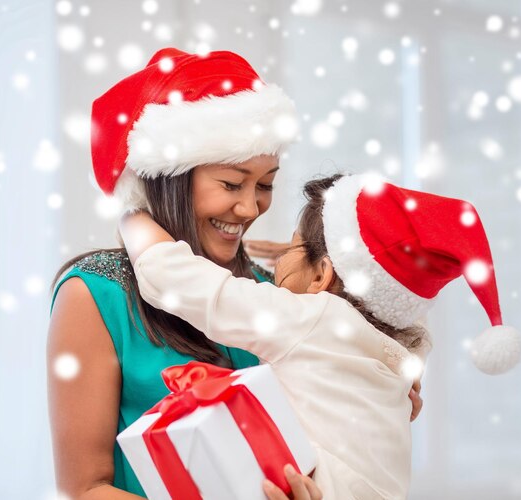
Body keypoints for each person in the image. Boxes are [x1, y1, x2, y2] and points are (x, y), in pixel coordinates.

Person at [120, 173, 521, 499]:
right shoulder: (402, 345)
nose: (279, 262)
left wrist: (131, 214)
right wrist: (307, 257)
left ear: (321, 275)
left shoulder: (312, 319)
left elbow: (187, 286)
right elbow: (387, 294)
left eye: (293, 246)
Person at [47, 48, 328, 499]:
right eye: (232, 184)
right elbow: (84, 489)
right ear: (170, 180)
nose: (250, 206)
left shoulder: (263, 291)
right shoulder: (96, 295)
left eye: (267, 184)